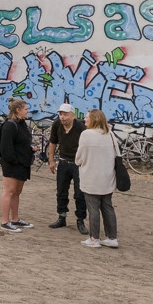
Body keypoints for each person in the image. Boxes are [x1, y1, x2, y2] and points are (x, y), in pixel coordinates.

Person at [75, 109, 119, 248]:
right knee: (107, 207)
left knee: (93, 208)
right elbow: (117, 154)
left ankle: (94, 238)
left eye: (87, 117)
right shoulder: (110, 134)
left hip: (91, 177)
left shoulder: (86, 134)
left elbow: (79, 158)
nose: (85, 120)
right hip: (107, 177)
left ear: (93, 119)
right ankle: (112, 237)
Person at [47, 102, 88, 234]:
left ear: (72, 116)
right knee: (61, 191)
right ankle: (62, 216)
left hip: (78, 163)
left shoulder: (81, 127)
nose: (62, 117)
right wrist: (51, 160)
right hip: (63, 161)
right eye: (60, 114)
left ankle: (80, 220)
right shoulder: (57, 125)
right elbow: (53, 142)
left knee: (80, 193)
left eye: (65, 114)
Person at [0, 97, 34, 232]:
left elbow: (22, 142)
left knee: (17, 192)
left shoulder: (22, 124)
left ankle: (15, 219)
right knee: (9, 191)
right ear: (18, 110)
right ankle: (5, 221)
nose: (28, 111)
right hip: (12, 164)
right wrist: (15, 161)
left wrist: (30, 149)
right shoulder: (9, 125)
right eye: (25, 109)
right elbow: (6, 149)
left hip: (22, 163)